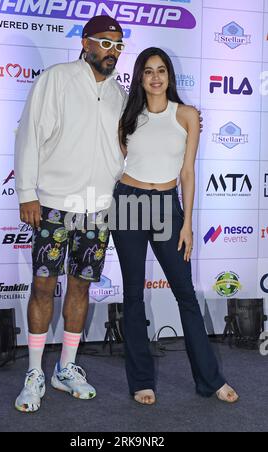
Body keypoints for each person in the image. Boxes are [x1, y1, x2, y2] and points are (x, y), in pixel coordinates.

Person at [111, 47, 239, 405]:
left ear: (169, 76)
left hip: (168, 208)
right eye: (148, 71)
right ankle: (141, 382)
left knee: (186, 294)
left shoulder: (186, 115)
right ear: (140, 77)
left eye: (161, 70)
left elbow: (187, 173)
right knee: (133, 296)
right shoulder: (127, 116)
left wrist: (188, 225)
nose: (155, 77)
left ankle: (210, 380)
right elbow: (121, 159)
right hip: (128, 204)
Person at [14, 15, 128, 413]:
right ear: (85, 42)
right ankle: (34, 372)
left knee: (81, 287)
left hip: (97, 210)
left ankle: (66, 368)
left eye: (118, 45)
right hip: (53, 205)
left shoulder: (119, 95)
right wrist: (27, 193)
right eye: (105, 43)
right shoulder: (57, 78)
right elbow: (29, 134)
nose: (112, 52)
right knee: (44, 285)